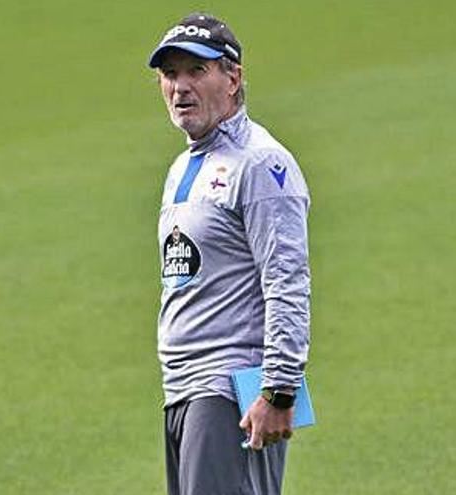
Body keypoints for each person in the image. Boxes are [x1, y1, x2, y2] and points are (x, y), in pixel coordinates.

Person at [148, 13, 311, 495]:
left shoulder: (262, 164)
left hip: (229, 391)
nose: (180, 87)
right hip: (180, 389)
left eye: (196, 71)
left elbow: (286, 279)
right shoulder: (183, 166)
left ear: (233, 77)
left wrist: (279, 389)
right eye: (170, 73)